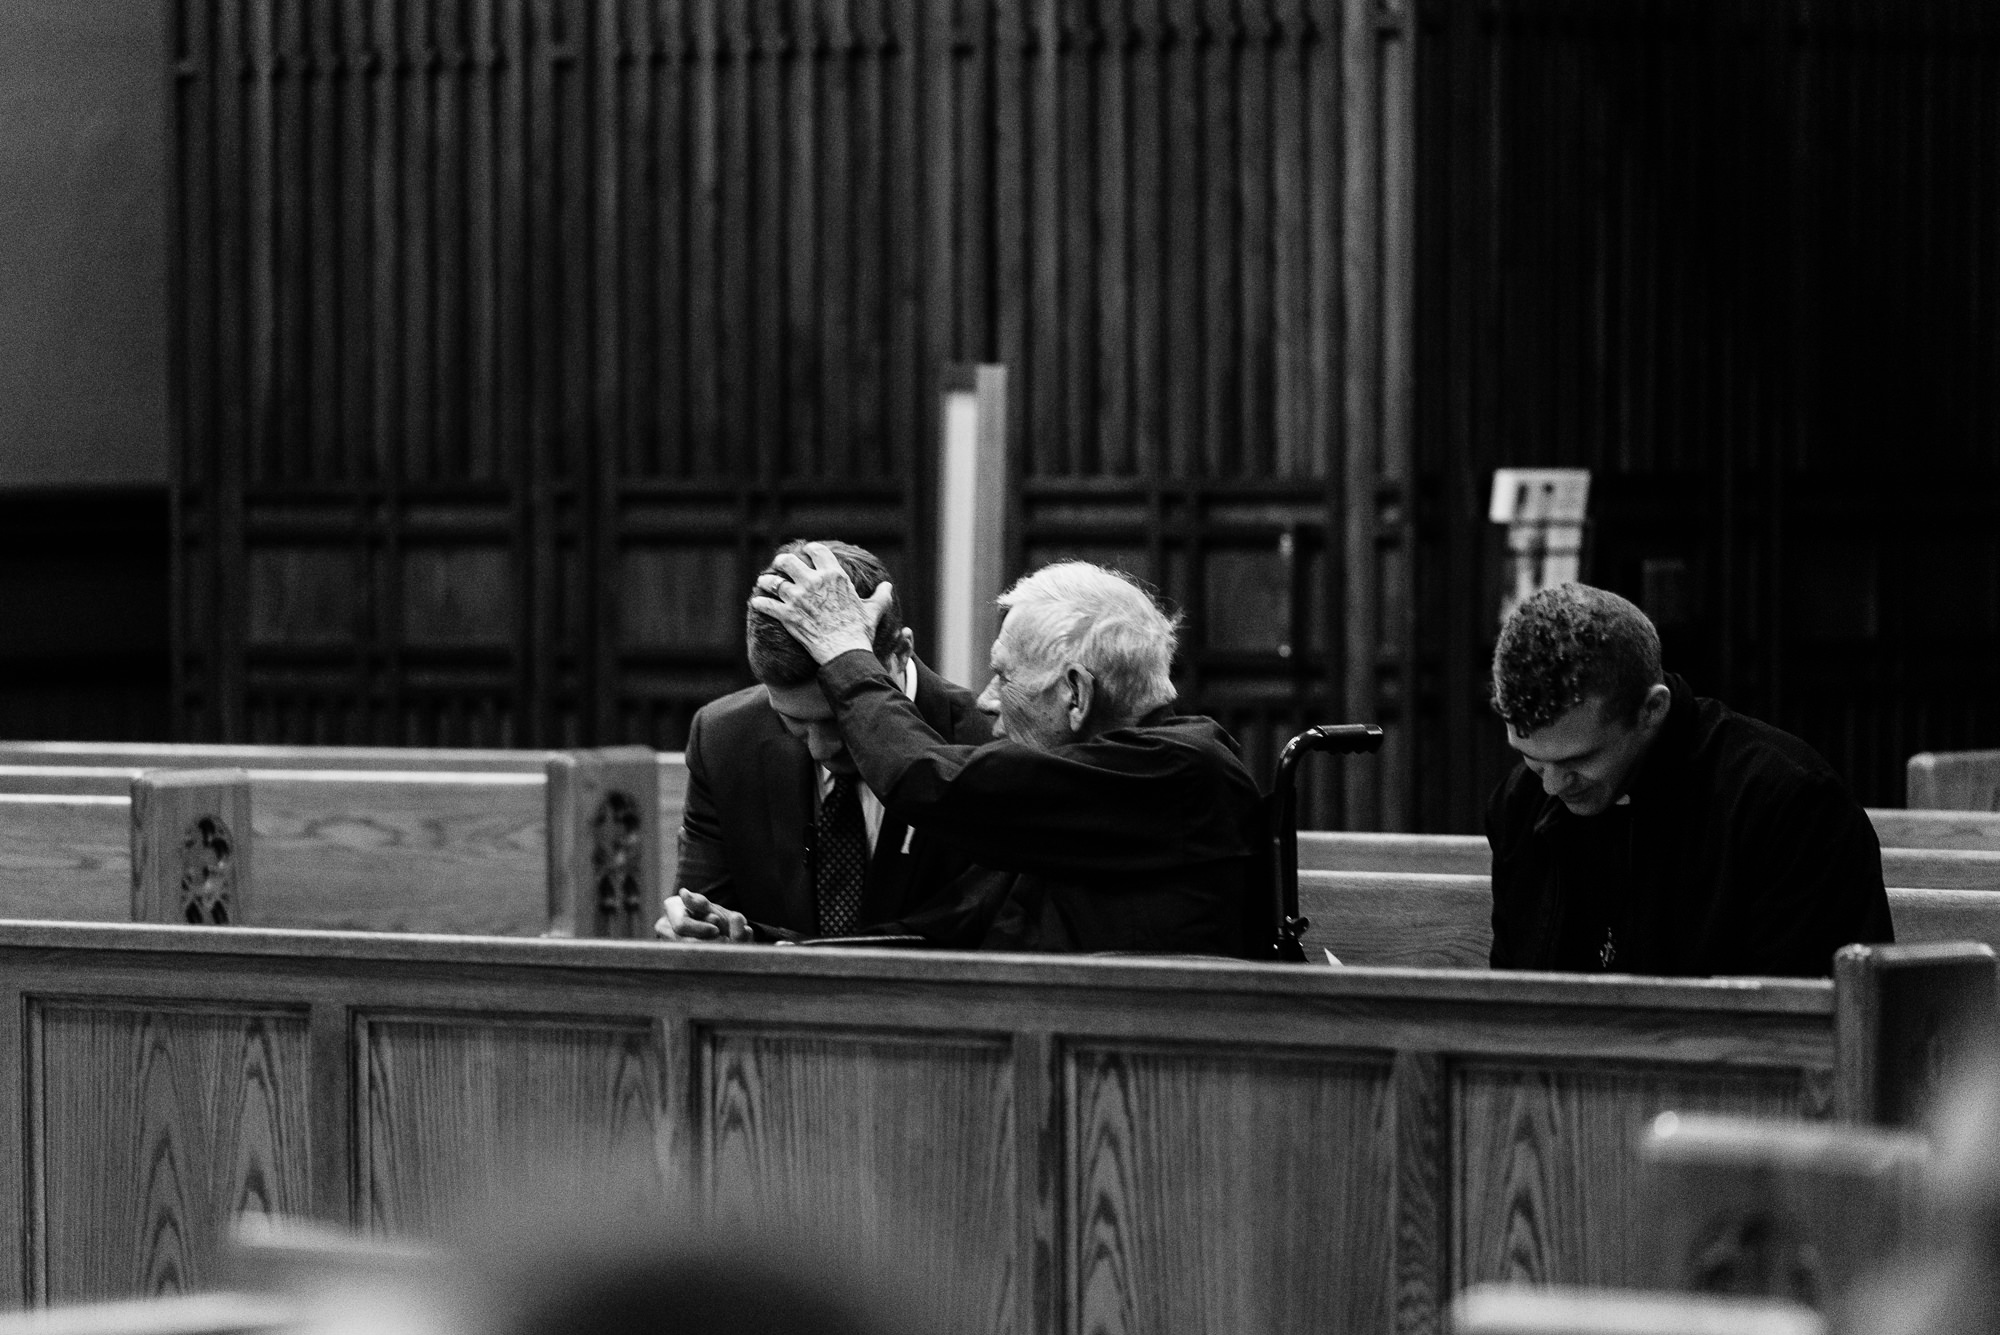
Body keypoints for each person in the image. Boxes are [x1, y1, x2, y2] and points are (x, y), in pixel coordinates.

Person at [750, 547, 1263, 955]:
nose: (986, 701)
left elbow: (926, 783)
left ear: (1076, 694)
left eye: (1004, 676)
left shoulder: (1184, 772)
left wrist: (844, 649)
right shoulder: (1082, 791)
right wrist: (759, 946)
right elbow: (938, 938)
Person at [1486, 582, 1892, 977]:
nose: (1551, 787)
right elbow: (1512, 1005)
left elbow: (1804, 1023)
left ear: (1651, 710)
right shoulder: (1518, 804)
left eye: (1579, 758)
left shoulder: (1786, 805)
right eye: (1532, 758)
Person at [655, 540, 993, 944]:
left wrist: (770, 945)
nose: (819, 748)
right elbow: (708, 914)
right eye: (793, 720)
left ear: (900, 654)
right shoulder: (725, 738)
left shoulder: (981, 743)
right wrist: (700, 928)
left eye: (838, 718)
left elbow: (969, 938)